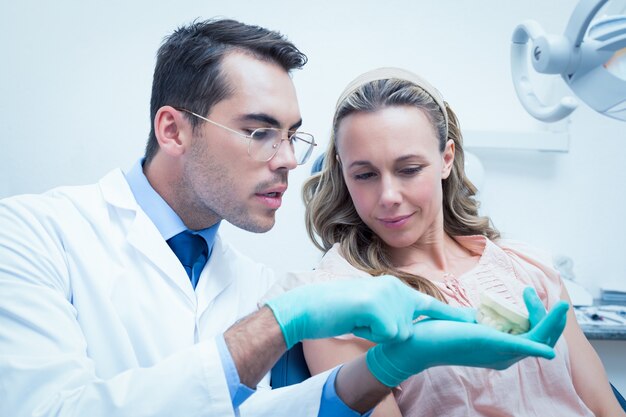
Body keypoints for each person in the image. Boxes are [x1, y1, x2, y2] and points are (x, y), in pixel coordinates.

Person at [0, 20, 569, 417]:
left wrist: (390, 367)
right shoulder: (30, 235)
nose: (291, 160)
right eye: (258, 132)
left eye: (292, 134)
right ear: (173, 129)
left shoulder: (249, 279)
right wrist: (280, 322)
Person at [281, 67, 626, 416]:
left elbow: (606, 408)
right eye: (365, 174)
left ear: (446, 159)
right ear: (343, 172)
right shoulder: (337, 302)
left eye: (409, 169)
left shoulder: (528, 269)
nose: (388, 196)